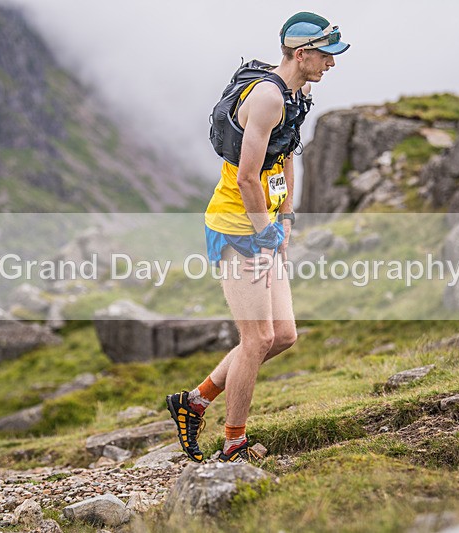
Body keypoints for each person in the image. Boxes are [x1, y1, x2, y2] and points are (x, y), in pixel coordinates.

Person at [166, 12, 349, 463]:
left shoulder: (297, 92)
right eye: (326, 55)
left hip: (265, 224)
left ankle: (194, 402)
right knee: (257, 339)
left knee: (283, 335)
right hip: (235, 227)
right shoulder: (268, 98)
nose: (332, 63)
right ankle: (233, 444)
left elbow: (285, 155)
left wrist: (286, 217)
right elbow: (248, 177)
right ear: (302, 52)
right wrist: (266, 231)